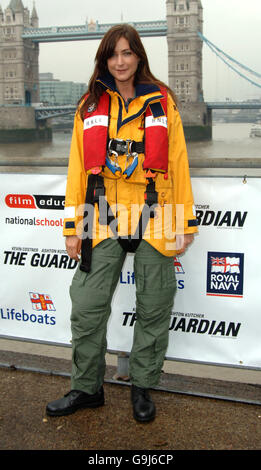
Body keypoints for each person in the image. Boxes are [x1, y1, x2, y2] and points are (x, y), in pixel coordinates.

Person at [46, 24, 198, 422]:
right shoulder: (89, 105)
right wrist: (72, 228)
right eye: (113, 54)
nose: (120, 61)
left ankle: (143, 387)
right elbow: (77, 171)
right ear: (105, 58)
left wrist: (184, 221)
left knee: (154, 306)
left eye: (128, 53)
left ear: (139, 57)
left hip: (157, 215)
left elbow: (179, 164)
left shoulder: (164, 102)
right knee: (87, 306)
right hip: (101, 215)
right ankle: (86, 387)